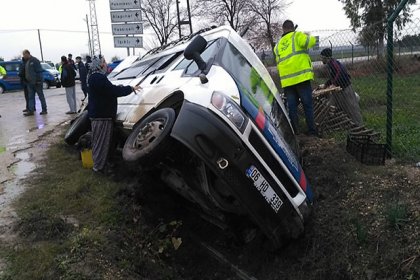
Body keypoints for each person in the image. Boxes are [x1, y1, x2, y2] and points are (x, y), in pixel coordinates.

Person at [87, 57, 141, 173]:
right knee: (101, 143)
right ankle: (99, 168)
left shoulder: (94, 77)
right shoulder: (98, 78)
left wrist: (121, 87)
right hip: (102, 116)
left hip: (99, 115)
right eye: (104, 62)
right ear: (100, 65)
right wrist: (130, 89)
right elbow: (112, 91)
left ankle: (99, 165)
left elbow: (108, 90)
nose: (106, 64)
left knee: (99, 142)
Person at [274, 20, 317, 136]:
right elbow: (311, 42)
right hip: (301, 78)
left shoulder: (277, 46)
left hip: (287, 82)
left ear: (283, 29)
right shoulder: (297, 35)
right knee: (307, 105)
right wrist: (307, 34)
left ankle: (296, 133)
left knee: (292, 108)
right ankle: (312, 132)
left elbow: (279, 63)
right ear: (293, 28)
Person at [319, 48, 363, 126]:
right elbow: (333, 77)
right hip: (338, 89)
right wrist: (326, 85)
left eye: (322, 57)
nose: (321, 59)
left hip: (345, 87)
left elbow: (340, 72)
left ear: (326, 57)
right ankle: (330, 123)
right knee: (331, 105)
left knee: (352, 107)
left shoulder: (334, 63)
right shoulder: (330, 64)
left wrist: (334, 83)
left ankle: (358, 124)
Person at [22, 49, 48, 116]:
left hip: (37, 83)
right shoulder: (26, 62)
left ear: (28, 54)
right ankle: (31, 110)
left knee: (41, 96)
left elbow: (39, 71)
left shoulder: (35, 60)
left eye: (24, 55)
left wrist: (38, 80)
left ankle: (44, 109)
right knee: (31, 97)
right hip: (29, 83)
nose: (23, 56)